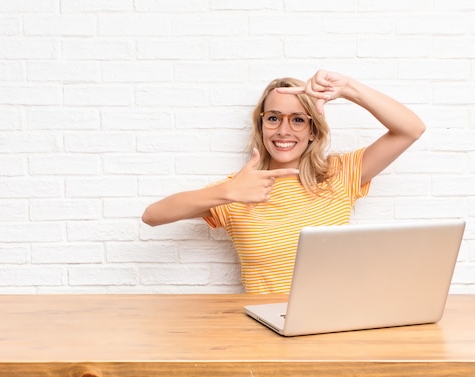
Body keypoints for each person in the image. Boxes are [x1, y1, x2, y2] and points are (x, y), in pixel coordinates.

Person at [142, 70, 426, 294]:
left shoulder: (340, 174)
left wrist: (348, 88)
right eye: (274, 118)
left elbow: (410, 129)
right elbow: (153, 216)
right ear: (261, 126)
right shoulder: (239, 189)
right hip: (269, 332)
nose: (284, 130)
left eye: (298, 120)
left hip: (335, 324)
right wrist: (228, 192)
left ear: (313, 130)